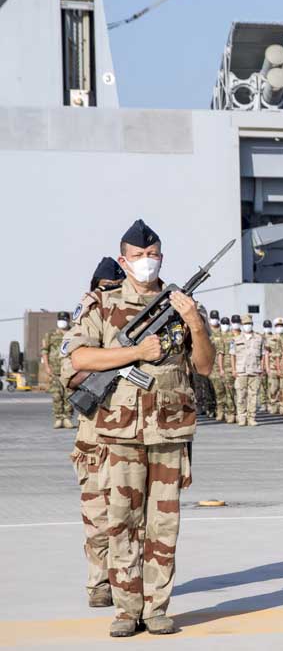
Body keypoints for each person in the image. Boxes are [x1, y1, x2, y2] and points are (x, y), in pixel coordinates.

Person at [67, 219, 214, 637]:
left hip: (169, 432)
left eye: (152, 256)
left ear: (161, 257)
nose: (146, 262)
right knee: (122, 521)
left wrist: (196, 324)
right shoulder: (101, 303)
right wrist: (135, 352)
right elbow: (79, 359)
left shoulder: (182, 304)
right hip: (119, 430)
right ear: (123, 260)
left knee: (163, 524)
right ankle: (126, 610)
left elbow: (203, 366)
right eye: (138, 257)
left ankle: (157, 608)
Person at [60, 256, 124, 609]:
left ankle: (128, 580)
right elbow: (68, 372)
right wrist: (112, 361)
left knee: (129, 515)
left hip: (131, 431)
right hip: (94, 438)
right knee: (98, 516)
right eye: (106, 290)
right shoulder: (83, 322)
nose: (111, 296)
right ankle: (99, 583)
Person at [231, 315, 264, 427]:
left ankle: (252, 418)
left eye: (249, 324)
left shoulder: (259, 338)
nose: (247, 326)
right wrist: (234, 369)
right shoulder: (236, 339)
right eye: (245, 324)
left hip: (255, 370)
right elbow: (232, 355)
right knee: (241, 395)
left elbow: (263, 355)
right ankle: (242, 417)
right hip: (241, 371)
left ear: (252, 324)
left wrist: (262, 368)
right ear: (242, 325)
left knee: (253, 396)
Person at [42, 311, 74, 429]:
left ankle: (67, 418)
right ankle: (58, 418)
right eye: (60, 319)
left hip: (70, 369)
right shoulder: (50, 334)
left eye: (64, 319)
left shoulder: (74, 333)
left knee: (69, 395)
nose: (62, 321)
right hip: (55, 370)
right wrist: (46, 366)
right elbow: (45, 351)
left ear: (68, 320)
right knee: (56, 395)